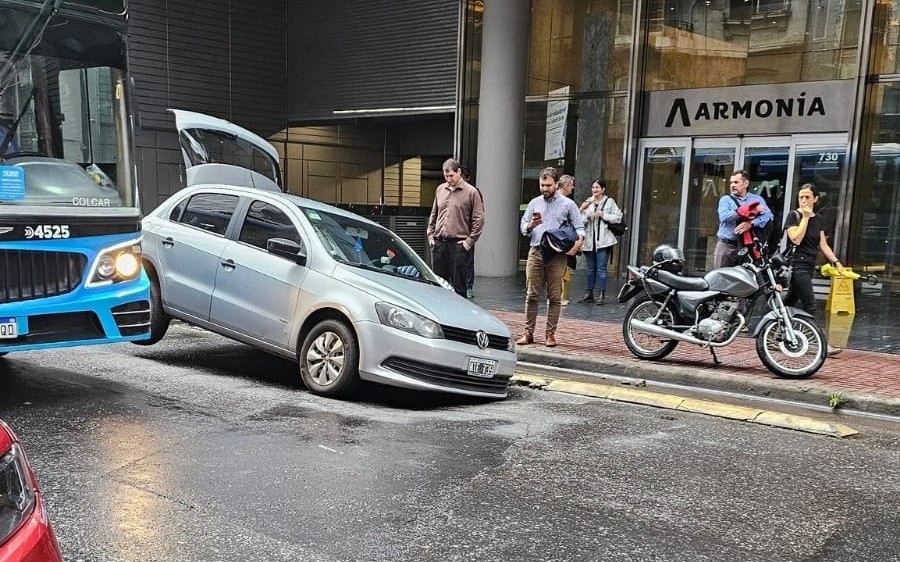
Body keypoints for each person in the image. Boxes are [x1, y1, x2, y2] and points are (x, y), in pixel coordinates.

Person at [517, 167, 585, 347]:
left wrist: (578, 243)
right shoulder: (534, 203)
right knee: (532, 295)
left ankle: (550, 334)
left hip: (557, 255)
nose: (544, 188)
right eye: (542, 185)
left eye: (548, 185)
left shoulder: (568, 204)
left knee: (555, 297)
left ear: (556, 184)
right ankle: (528, 333)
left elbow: (580, 228)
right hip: (536, 251)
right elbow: (523, 227)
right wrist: (531, 225)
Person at [783, 183, 845, 357]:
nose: (804, 200)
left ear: (815, 199)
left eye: (807, 197)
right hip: (797, 265)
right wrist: (805, 217)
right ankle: (819, 343)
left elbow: (823, 245)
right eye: (801, 197)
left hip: (809, 265)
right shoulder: (794, 216)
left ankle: (774, 333)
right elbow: (795, 239)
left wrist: (836, 262)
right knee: (810, 304)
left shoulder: (819, 219)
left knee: (788, 302)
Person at [426, 158, 485, 297]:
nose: (448, 179)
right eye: (446, 176)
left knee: (459, 288)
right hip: (439, 243)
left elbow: (479, 219)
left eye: (451, 175)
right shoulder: (440, 189)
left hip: (458, 245)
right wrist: (430, 236)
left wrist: (468, 242)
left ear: (459, 172)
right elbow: (434, 213)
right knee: (439, 286)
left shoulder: (471, 192)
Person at [714, 169, 773, 268]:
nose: (733, 185)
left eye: (736, 182)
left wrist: (751, 223)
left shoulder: (757, 199)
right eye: (731, 182)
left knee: (747, 279)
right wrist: (749, 211)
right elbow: (724, 217)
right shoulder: (726, 200)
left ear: (746, 183)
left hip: (748, 247)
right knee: (721, 279)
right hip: (726, 247)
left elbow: (768, 216)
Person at [577, 179, 622, 305]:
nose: (594, 190)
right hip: (590, 241)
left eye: (597, 187)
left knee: (601, 269)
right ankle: (589, 294)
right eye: (593, 187)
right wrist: (587, 216)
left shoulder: (609, 202)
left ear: (603, 189)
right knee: (590, 269)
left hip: (604, 241)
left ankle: (601, 294)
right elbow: (579, 220)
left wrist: (603, 215)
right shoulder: (588, 201)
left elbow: (618, 217)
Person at [461, 165, 483, 299]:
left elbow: (479, 215)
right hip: (455, 232)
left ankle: (468, 287)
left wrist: (473, 235)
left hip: (467, 232)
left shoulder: (474, 192)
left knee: (468, 261)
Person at [557, 174, 576, 305]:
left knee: (560, 269)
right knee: (560, 269)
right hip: (560, 240)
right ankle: (558, 297)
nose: (573, 188)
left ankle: (557, 296)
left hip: (556, 239)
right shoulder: (564, 203)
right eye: (572, 185)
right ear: (566, 185)